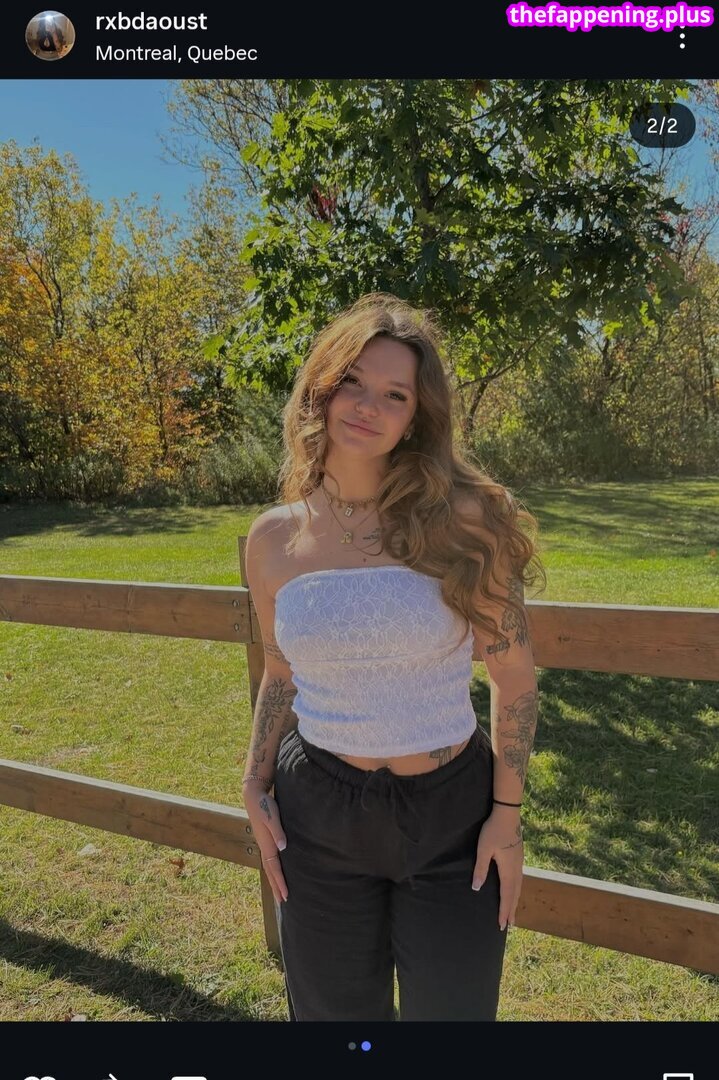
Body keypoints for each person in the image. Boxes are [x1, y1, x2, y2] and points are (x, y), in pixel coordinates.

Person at [242, 292, 544, 1021]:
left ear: (417, 415)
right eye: (352, 380)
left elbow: (512, 677)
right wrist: (253, 780)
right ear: (321, 387)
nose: (367, 405)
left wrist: (506, 816)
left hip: (450, 815)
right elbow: (280, 670)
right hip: (317, 810)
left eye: (394, 394)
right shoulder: (273, 539)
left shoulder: (466, 521)